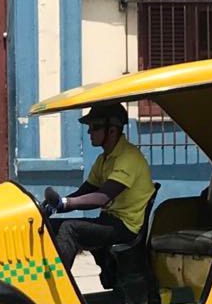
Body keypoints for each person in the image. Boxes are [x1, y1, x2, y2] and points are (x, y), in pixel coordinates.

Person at [42, 102, 154, 272]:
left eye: (94, 127)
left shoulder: (129, 157)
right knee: (49, 225)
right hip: (108, 221)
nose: (89, 132)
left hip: (125, 227)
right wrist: (51, 207)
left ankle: (56, 282)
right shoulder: (104, 159)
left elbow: (103, 197)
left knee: (69, 229)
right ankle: (37, 276)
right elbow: (85, 190)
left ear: (112, 130)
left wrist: (65, 202)